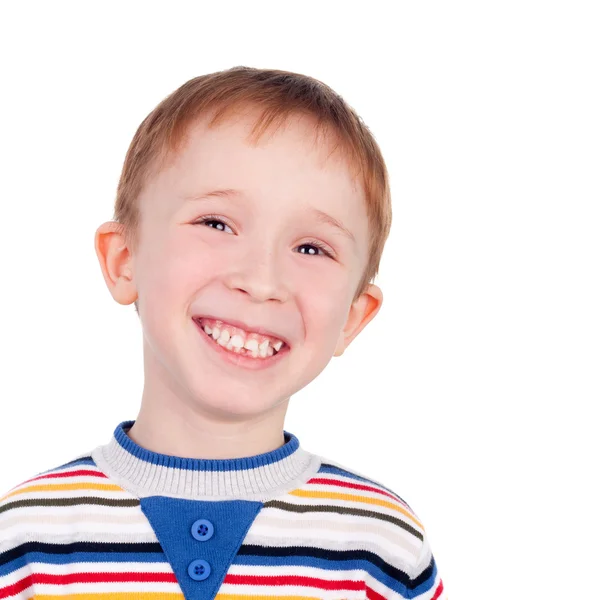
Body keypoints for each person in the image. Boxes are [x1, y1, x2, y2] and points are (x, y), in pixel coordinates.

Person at [0, 66, 446, 599]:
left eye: (311, 249)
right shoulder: (25, 542)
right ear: (124, 260)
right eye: (216, 223)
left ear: (352, 316)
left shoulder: (380, 548)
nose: (260, 281)